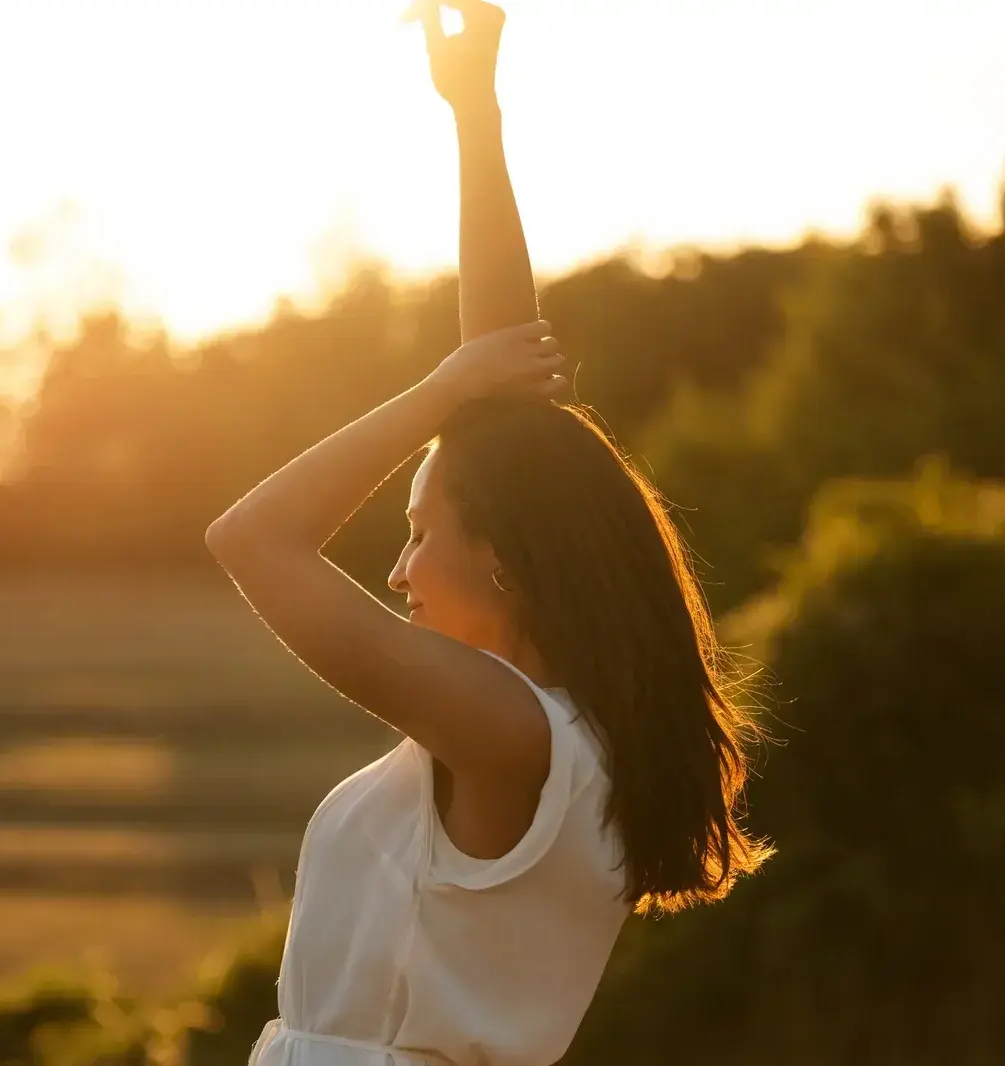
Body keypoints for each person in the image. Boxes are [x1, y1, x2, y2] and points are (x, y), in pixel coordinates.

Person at [205, 3, 775, 1064]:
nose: (397, 567)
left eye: (420, 533)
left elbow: (254, 538)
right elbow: (508, 385)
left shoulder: (514, 734)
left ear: (507, 556)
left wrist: (434, 392)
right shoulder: (563, 732)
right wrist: (475, 117)